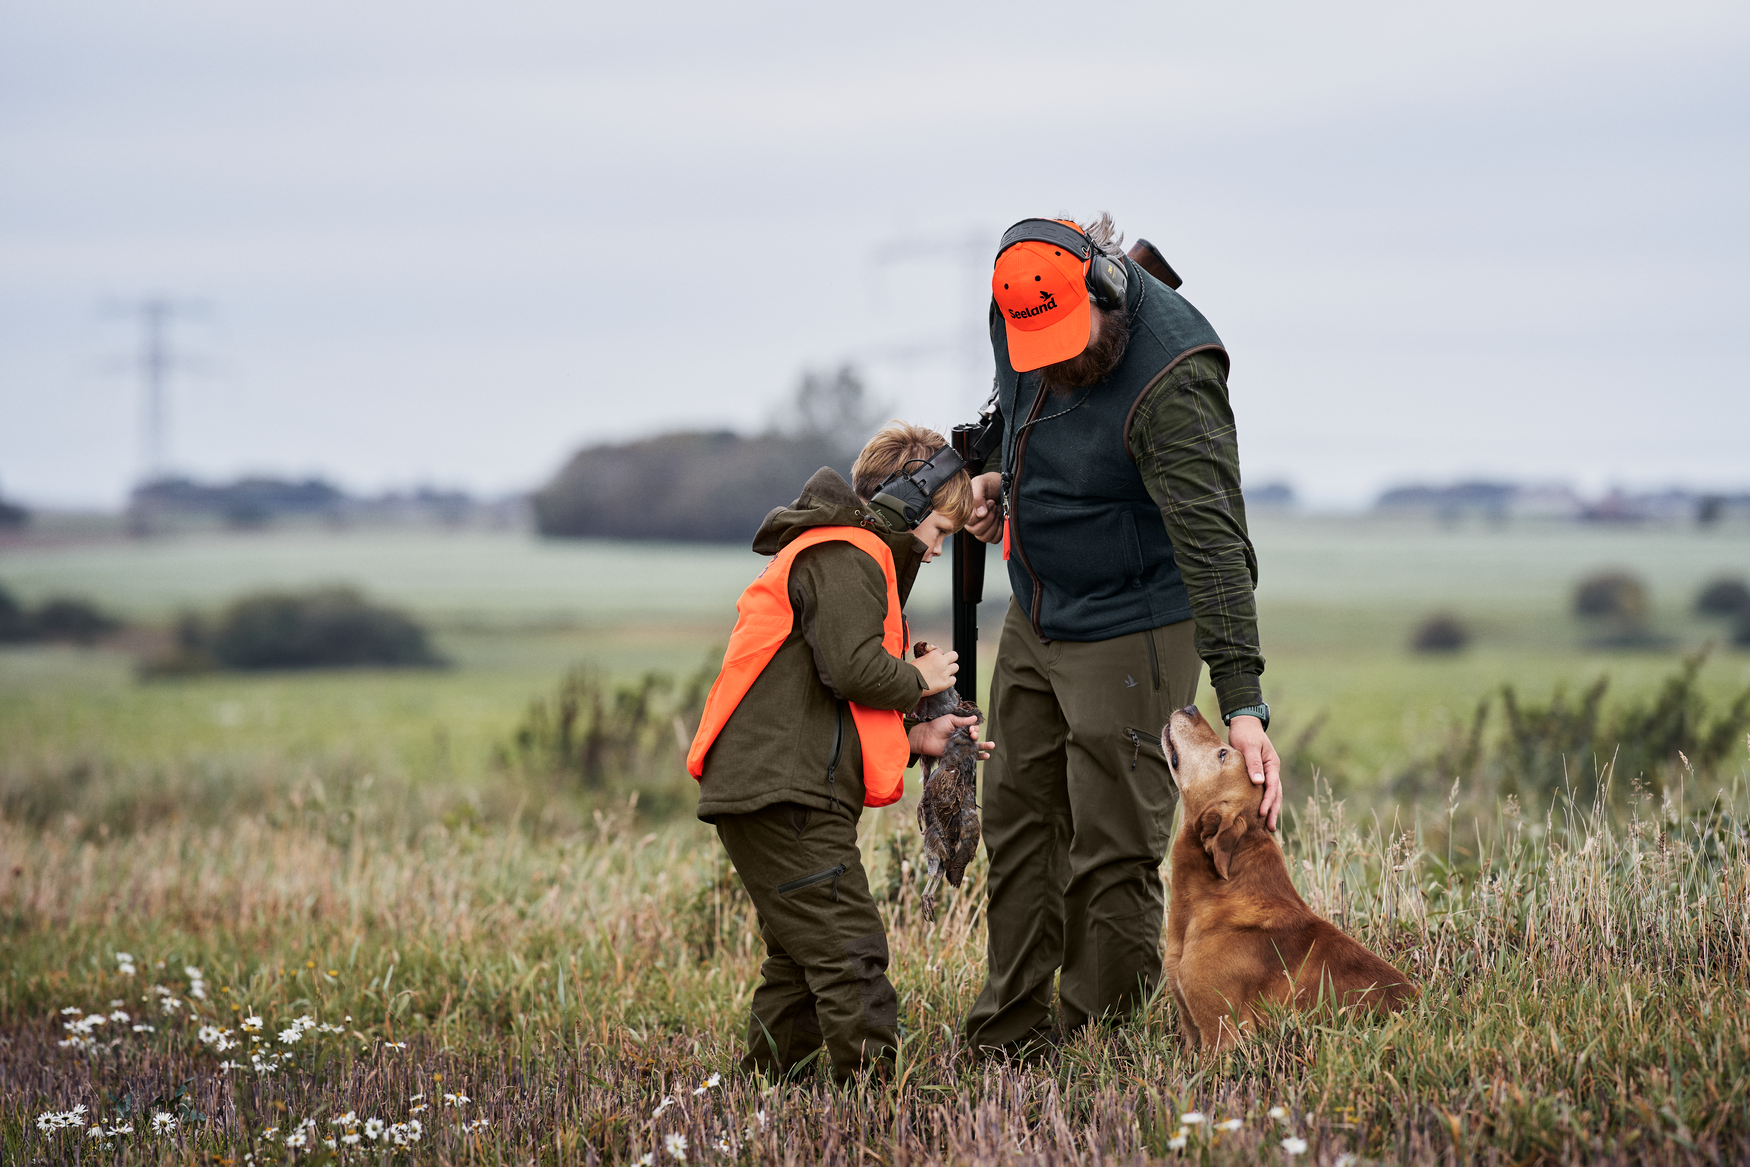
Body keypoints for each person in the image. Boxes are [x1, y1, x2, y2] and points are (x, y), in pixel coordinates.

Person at [961, 214, 1282, 1052]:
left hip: (1136, 618)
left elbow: (1215, 549)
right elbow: (1020, 418)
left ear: (1104, 288)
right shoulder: (1015, 315)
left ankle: (1101, 1041)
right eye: (1043, 345)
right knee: (1019, 820)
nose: (1061, 360)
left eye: (1077, 336)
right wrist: (997, 475)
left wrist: (1243, 703)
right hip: (1037, 606)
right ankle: (1010, 1034)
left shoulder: (1174, 377)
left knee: (1112, 845)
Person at [688, 422, 993, 1083]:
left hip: (774, 788)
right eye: (938, 530)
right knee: (851, 952)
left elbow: (824, 706)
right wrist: (924, 679)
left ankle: (770, 1093)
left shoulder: (849, 559)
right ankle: (874, 1106)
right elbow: (853, 671)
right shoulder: (849, 555)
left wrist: (919, 737)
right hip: (785, 794)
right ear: (908, 501)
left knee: (802, 958)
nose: (938, 550)